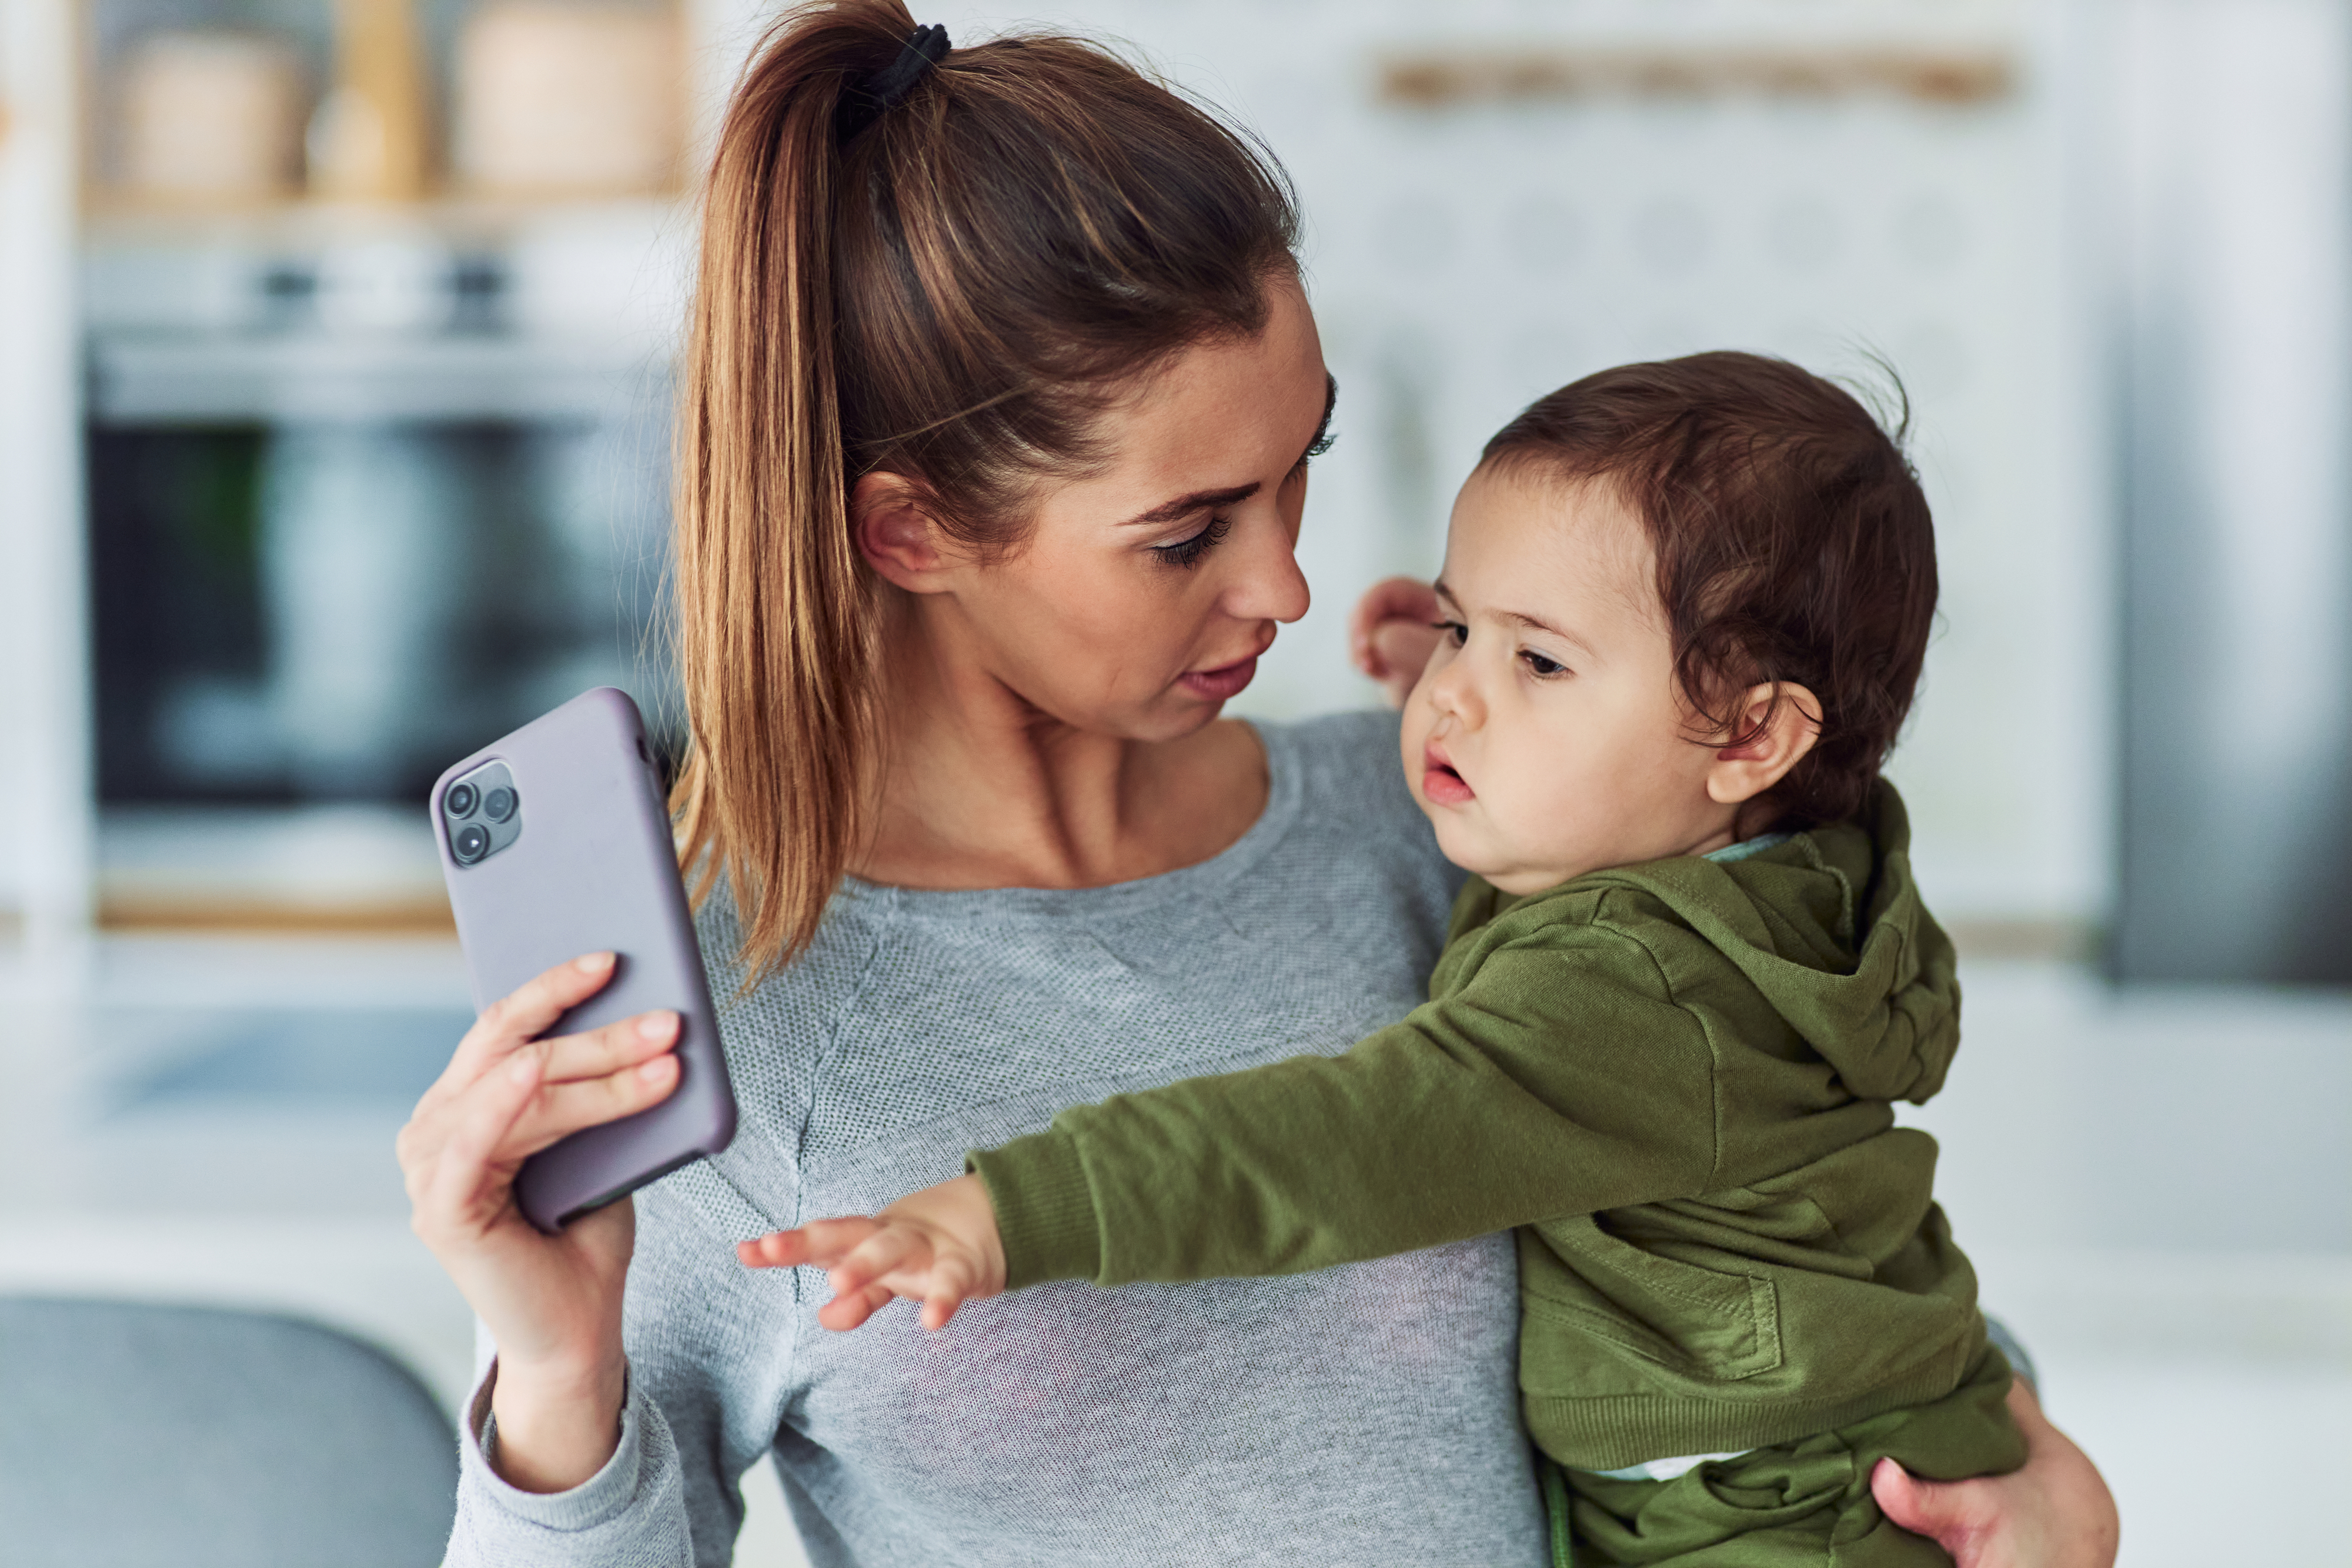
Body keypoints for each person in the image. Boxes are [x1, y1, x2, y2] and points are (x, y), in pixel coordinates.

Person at [396, 5, 2120, 1564]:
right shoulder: (745, 1042)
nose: (1290, 587)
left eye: (1304, 472)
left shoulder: (1429, 830)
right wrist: (553, 1374)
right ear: (908, 529)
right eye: (1186, 531)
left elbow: (1768, 1220)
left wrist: (2022, 1465)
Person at [749, 352, 2050, 1566]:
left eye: (1537, 656)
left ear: (1752, 736)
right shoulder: (1799, 880)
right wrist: (1468, 684)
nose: (1454, 691)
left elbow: (1340, 1137)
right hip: (1826, 1458)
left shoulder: (1628, 998)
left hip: (1767, 1519)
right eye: (1454, 625)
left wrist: (1009, 1210)